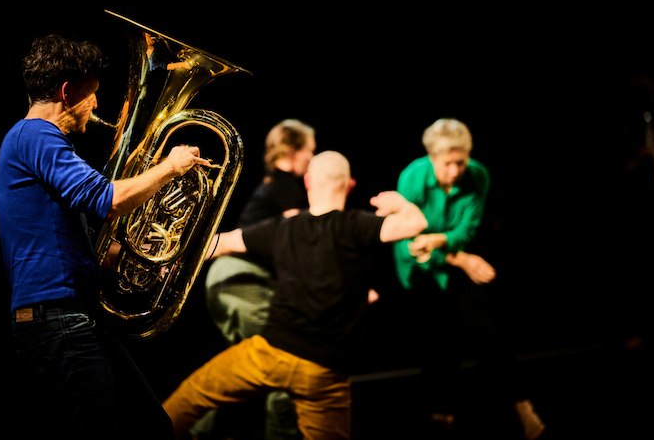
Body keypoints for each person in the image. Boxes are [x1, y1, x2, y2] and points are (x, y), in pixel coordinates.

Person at [0, 33, 208, 440]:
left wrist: (135, 258)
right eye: (92, 93)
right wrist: (170, 167)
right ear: (67, 92)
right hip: (60, 321)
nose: (96, 105)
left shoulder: (31, 141)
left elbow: (55, 235)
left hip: (71, 317)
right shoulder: (37, 136)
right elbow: (107, 201)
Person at [163, 151, 428, 440]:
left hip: (269, 354)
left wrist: (175, 257)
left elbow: (221, 243)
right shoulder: (357, 226)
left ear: (308, 182)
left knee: (189, 398)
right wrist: (399, 204)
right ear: (350, 185)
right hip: (323, 372)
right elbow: (416, 224)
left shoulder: (283, 228)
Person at [392, 118, 546, 439]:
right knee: (437, 338)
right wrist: (459, 257)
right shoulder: (412, 178)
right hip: (420, 269)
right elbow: (408, 243)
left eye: (460, 162)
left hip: (456, 262)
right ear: (432, 158)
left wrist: (440, 242)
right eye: (447, 164)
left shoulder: (478, 175)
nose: (455, 171)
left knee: (488, 331)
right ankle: (440, 413)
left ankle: (521, 404)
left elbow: (466, 230)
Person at [192, 119, 316, 440]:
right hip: (242, 280)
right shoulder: (285, 189)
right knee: (283, 359)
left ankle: (195, 428)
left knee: (251, 369)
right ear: (292, 151)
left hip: (236, 279)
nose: (312, 159)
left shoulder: (275, 186)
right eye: (309, 152)